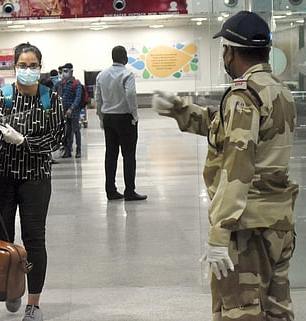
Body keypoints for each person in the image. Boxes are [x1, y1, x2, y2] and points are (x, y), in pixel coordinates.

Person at [152, 11, 298, 321]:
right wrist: (179, 109)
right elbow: (224, 129)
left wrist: (220, 233)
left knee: (240, 311)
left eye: (223, 50)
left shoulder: (243, 96)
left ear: (229, 51)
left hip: (248, 230)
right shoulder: (278, 91)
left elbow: (237, 167)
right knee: (277, 310)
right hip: (279, 224)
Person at [0, 42, 65, 321]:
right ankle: (12, 288)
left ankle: (34, 304)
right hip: (3, 178)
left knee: (34, 239)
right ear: (15, 67)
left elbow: (57, 139)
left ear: (40, 67)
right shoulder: (2, 96)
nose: (28, 70)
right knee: (3, 239)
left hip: (36, 178)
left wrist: (25, 141)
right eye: (22, 66)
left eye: (33, 65)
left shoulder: (51, 99)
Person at [95, 45, 146, 201]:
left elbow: (98, 98)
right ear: (126, 58)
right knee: (129, 155)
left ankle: (110, 190)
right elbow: (130, 94)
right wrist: (134, 114)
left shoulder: (101, 75)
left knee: (110, 155)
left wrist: (101, 116)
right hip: (124, 118)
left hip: (109, 118)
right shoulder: (127, 74)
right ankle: (129, 191)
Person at [57, 63, 82, 158]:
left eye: (66, 71)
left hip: (74, 112)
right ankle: (68, 151)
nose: (64, 73)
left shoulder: (76, 83)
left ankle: (78, 150)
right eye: (63, 71)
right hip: (64, 112)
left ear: (71, 72)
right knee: (67, 132)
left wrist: (71, 108)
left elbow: (78, 97)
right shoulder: (62, 83)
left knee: (76, 130)